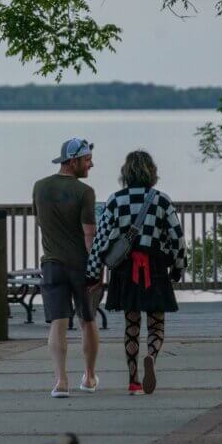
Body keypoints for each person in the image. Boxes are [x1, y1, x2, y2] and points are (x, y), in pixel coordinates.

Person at [86, 150, 187, 395]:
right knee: (156, 324)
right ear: (151, 173)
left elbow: (100, 240)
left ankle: (133, 381)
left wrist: (92, 271)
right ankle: (151, 355)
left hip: (125, 269)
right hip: (154, 268)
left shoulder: (115, 200)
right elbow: (178, 238)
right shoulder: (161, 200)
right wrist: (178, 267)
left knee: (131, 324)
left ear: (126, 173)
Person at [32, 137, 101, 398]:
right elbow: (89, 235)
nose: (91, 164)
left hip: (51, 264)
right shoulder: (85, 192)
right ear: (73, 162)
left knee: (58, 323)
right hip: (79, 266)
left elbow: (39, 221)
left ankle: (61, 382)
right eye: (86, 160)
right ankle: (90, 377)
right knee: (87, 320)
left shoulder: (40, 187)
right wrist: (95, 268)